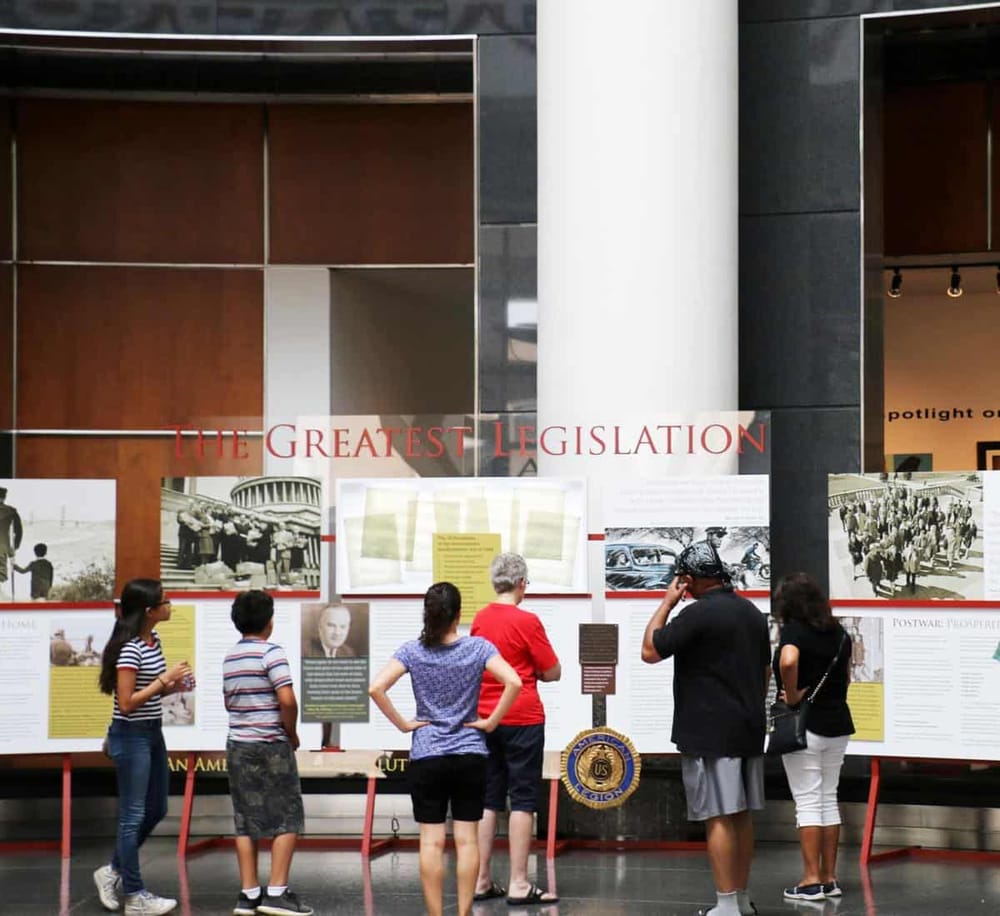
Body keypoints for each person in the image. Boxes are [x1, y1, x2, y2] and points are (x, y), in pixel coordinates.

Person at [369, 582, 522, 916]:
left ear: (427, 613)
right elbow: (515, 681)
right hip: (470, 754)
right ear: (458, 615)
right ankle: (464, 912)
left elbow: (376, 687)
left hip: (427, 755)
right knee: (466, 840)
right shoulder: (478, 648)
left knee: (431, 841)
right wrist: (491, 721)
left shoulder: (412, 651)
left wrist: (403, 724)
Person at [640, 541, 770, 916]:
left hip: (710, 732)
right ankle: (741, 899)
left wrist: (667, 603)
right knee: (742, 814)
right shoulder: (751, 613)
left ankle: (726, 904)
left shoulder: (698, 614)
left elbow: (650, 650)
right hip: (747, 727)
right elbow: (764, 672)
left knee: (718, 815)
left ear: (690, 578)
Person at [94, 579, 193, 916]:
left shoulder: (154, 640)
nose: (170, 605)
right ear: (150, 611)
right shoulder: (130, 648)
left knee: (158, 808)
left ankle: (112, 871)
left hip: (152, 732)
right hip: (131, 733)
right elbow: (126, 703)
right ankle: (135, 896)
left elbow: (147, 695)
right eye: (165, 602)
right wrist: (164, 681)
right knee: (132, 817)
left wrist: (172, 686)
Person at [471, 553, 560, 906]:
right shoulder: (529, 621)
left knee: (489, 799)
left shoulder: (479, 618)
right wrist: (532, 672)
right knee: (523, 799)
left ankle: (480, 880)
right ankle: (520, 883)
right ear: (522, 583)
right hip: (522, 717)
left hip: (485, 716)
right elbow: (552, 671)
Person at [224, 590, 313, 916]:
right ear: (269, 621)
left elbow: (228, 701)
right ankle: (276, 892)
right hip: (271, 745)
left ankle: (248, 894)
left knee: (245, 819)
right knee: (287, 815)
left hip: (237, 746)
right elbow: (286, 700)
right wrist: (291, 733)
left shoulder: (231, 656)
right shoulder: (272, 653)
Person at [772, 573, 854, 902]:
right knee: (827, 799)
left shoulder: (794, 631)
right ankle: (830, 878)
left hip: (806, 725)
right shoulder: (840, 634)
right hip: (838, 723)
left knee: (807, 801)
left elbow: (788, 659)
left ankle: (810, 880)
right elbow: (847, 677)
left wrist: (791, 696)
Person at [0, 487, 23, 599]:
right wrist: (16, 546)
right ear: (4, 497)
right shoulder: (11, 511)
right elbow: (18, 531)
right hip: (3, 547)